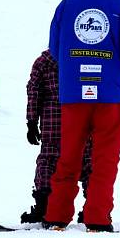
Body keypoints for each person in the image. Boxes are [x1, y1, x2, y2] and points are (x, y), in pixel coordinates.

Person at [43, 0, 120, 232]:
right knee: (105, 160)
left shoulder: (67, 4)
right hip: (110, 97)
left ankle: (56, 216)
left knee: (67, 157)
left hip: (73, 96)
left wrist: (74, 69)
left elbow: (55, 48)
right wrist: (118, 74)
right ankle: (98, 219)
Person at [20, 49, 92, 224]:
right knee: (88, 162)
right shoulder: (86, 56)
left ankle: (43, 207)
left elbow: (34, 91)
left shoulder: (44, 61)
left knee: (48, 162)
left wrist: (31, 121)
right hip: (82, 122)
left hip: (53, 124)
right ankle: (92, 209)